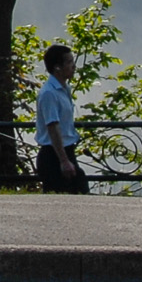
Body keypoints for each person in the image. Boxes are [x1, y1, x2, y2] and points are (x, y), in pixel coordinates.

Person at [35, 44, 86, 193]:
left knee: (80, 191)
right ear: (57, 67)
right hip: (54, 155)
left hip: (66, 151)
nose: (73, 66)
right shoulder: (49, 93)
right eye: (69, 62)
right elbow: (52, 127)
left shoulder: (64, 88)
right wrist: (64, 161)